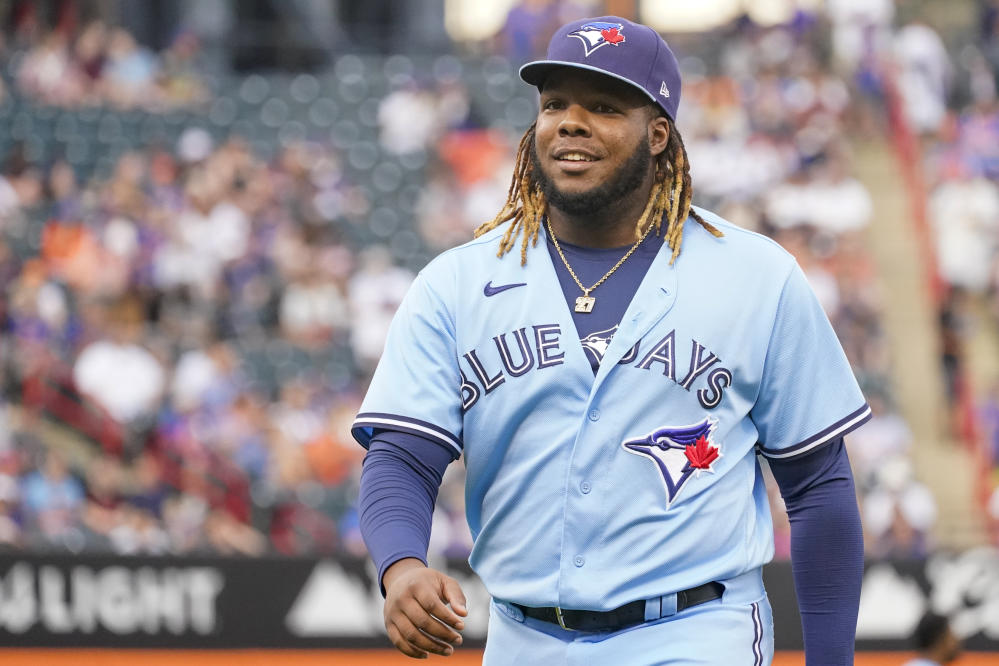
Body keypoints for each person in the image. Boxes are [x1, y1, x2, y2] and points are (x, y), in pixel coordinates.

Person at [354, 16, 869, 665]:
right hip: (522, 637)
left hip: (696, 630)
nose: (569, 121)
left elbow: (818, 485)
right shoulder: (456, 282)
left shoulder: (756, 276)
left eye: (601, 106)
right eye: (553, 105)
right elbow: (402, 456)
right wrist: (400, 566)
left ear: (657, 134)